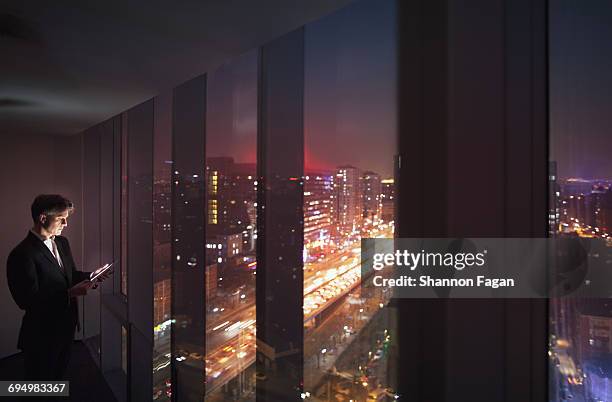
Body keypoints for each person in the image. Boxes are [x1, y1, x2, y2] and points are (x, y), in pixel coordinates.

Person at [6, 194, 111, 380]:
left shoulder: (62, 243)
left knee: (58, 378)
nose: (66, 224)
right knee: (38, 385)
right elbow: (26, 301)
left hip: (66, 327)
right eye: (61, 219)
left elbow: (68, 277)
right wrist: (70, 293)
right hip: (41, 334)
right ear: (43, 218)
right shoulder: (22, 254)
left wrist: (91, 276)